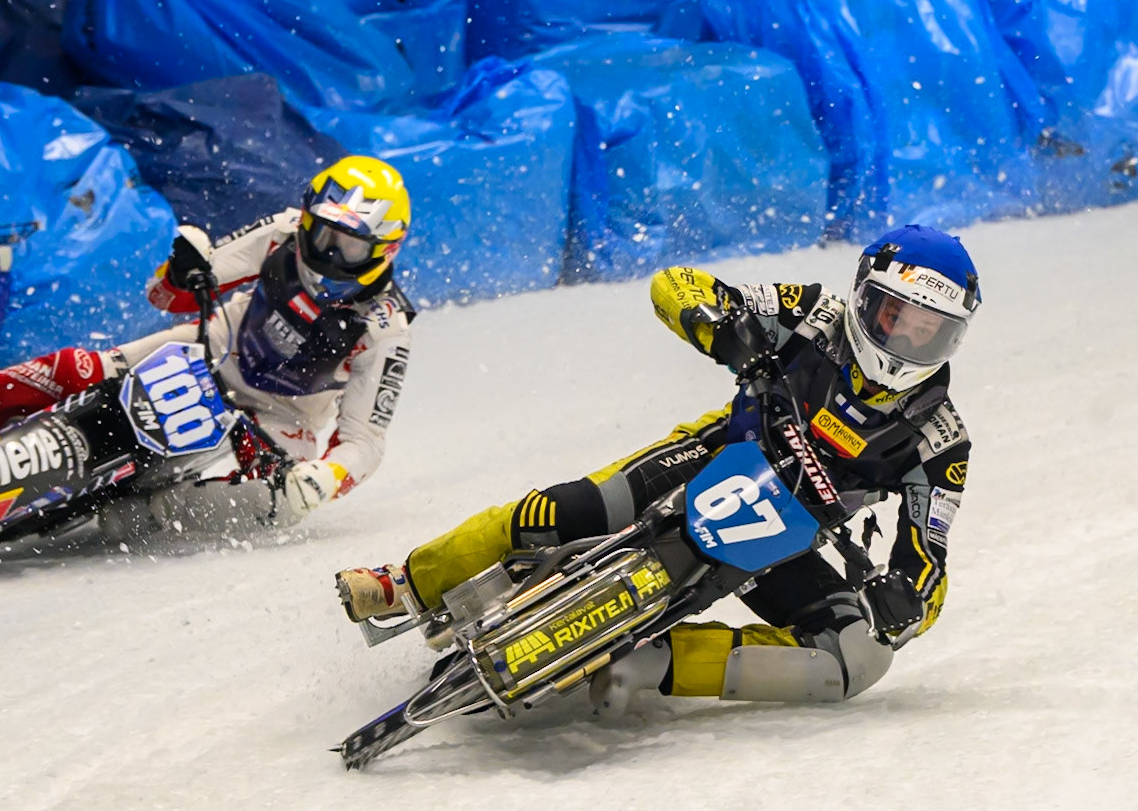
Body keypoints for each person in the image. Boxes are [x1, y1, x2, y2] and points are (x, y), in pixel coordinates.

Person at [336, 224, 977, 714]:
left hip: (786, 542)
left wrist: (908, 605)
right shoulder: (811, 313)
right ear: (865, 299)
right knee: (562, 513)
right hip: (711, 455)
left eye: (930, 332)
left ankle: (649, 665)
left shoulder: (941, 440)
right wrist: (719, 332)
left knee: (859, 659)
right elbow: (678, 284)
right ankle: (405, 583)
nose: (905, 344)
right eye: (895, 318)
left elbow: (930, 564)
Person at [0, 155, 416, 535]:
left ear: (384, 252)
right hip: (213, 346)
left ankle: (150, 515)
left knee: (279, 505)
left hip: (280, 414)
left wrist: (327, 478)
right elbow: (166, 296)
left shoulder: (385, 326)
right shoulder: (282, 232)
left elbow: (365, 440)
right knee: (82, 365)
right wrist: (181, 268)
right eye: (322, 234)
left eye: (347, 246)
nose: (326, 253)